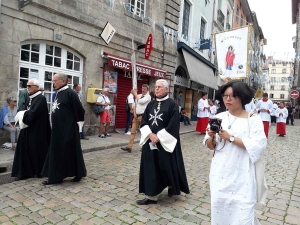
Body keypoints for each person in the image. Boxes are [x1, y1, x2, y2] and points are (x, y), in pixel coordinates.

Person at [204, 81, 267, 224]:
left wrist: (231, 138)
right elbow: (210, 146)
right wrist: (212, 137)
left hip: (242, 175)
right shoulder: (218, 118)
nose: (228, 99)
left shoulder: (253, 119)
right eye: (225, 95)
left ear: (242, 97)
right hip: (220, 173)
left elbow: (258, 145)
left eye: (233, 96)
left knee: (243, 214)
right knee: (220, 212)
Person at [136, 79, 190, 205]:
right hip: (150, 142)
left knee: (168, 167)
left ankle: (171, 185)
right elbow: (144, 122)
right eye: (155, 87)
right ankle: (151, 196)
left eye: (160, 87)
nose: (157, 89)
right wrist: (150, 135)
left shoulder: (172, 105)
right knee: (151, 168)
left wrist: (159, 137)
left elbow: (173, 125)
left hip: (166, 142)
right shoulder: (150, 104)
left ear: (166, 89)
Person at [41, 73, 86, 185]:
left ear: (63, 81)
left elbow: (80, 110)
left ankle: (77, 173)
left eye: (55, 80)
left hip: (68, 130)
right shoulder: (58, 93)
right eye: (53, 81)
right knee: (58, 152)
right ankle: (57, 176)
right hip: (57, 130)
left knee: (71, 151)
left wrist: (74, 125)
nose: (53, 83)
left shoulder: (71, 93)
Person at [12, 79, 51, 180]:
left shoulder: (41, 98)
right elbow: (24, 109)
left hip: (36, 130)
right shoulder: (31, 98)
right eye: (27, 86)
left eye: (30, 86)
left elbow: (33, 113)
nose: (27, 88)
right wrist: (22, 113)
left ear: (36, 87)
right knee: (24, 149)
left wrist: (23, 114)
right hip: (27, 128)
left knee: (36, 150)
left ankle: (38, 171)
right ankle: (24, 172)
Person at [121, 84, 151, 153]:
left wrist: (135, 94)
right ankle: (129, 147)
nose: (143, 90)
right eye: (142, 88)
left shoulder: (148, 97)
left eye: (144, 89)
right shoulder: (139, 95)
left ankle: (144, 147)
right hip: (136, 116)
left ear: (147, 90)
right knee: (133, 131)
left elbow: (141, 101)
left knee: (144, 132)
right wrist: (134, 113)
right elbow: (135, 105)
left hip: (143, 116)